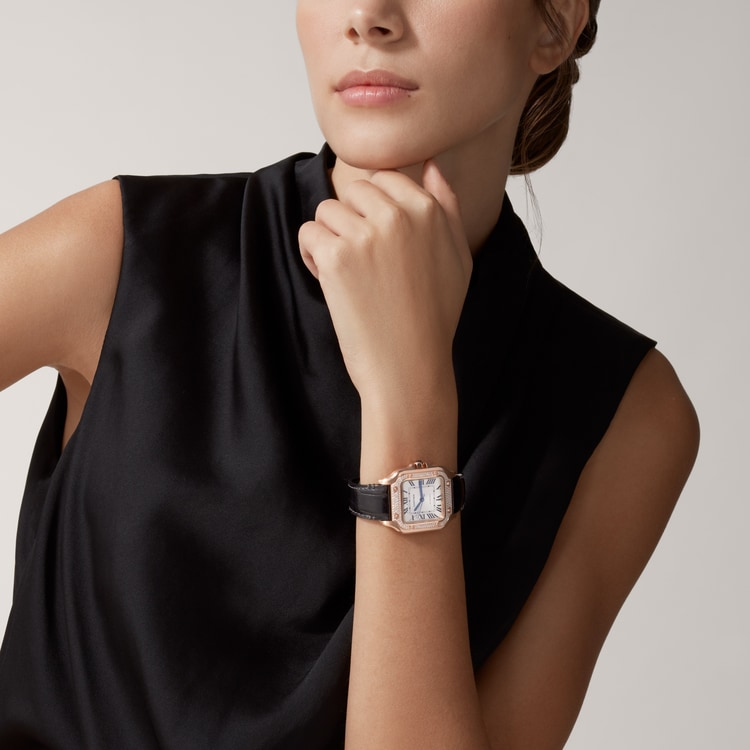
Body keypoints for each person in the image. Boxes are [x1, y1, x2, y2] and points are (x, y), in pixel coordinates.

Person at [0, 0, 698, 748]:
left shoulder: (626, 417)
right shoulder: (124, 252)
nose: (368, 15)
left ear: (555, 22)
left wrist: (410, 396)